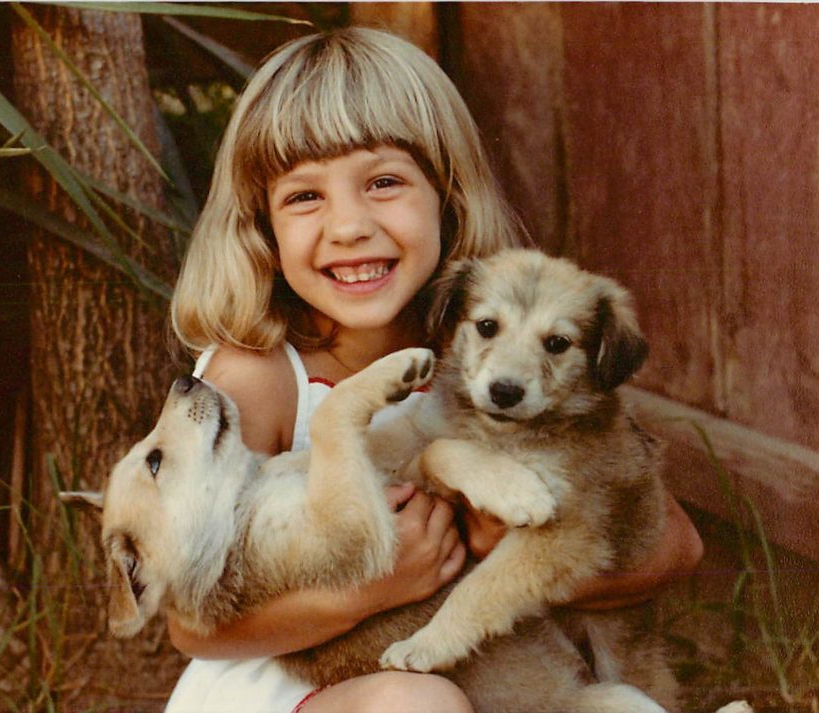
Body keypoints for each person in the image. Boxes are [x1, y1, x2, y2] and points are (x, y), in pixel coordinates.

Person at [166, 26, 703, 713]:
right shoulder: (259, 379)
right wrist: (379, 587)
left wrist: (516, 558)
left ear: (447, 195)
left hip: (475, 669)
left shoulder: (492, 348)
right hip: (287, 688)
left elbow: (677, 547)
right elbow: (192, 621)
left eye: (384, 181)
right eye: (305, 196)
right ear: (260, 225)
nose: (350, 225)